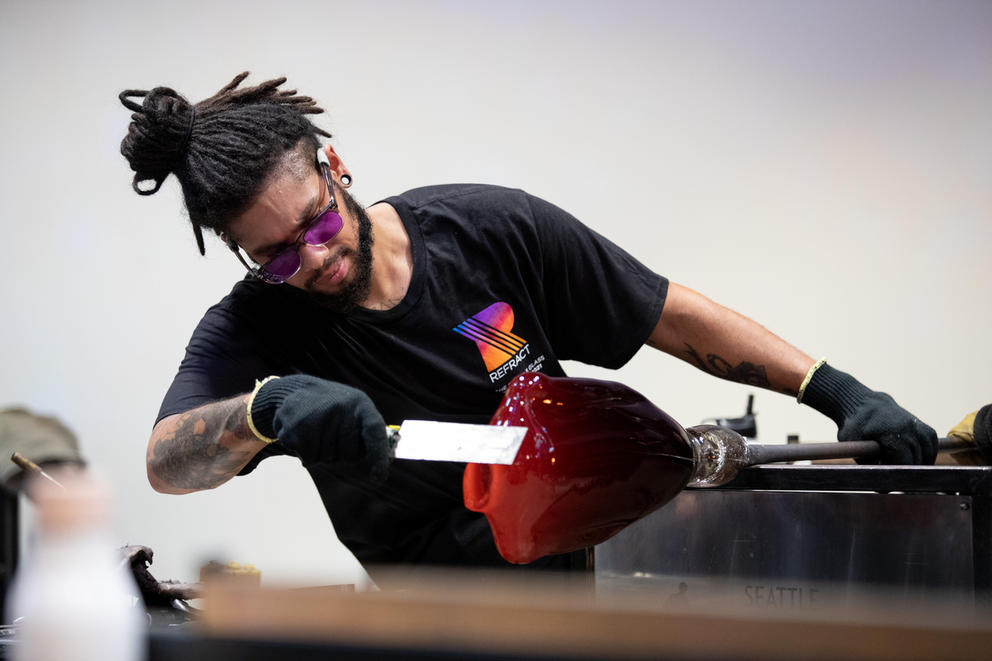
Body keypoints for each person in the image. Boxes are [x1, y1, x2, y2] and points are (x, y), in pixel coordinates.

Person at [118, 72, 937, 576]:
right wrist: (260, 412)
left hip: (594, 573)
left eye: (319, 226)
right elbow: (166, 461)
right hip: (445, 622)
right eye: (279, 256)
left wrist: (833, 388)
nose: (317, 261)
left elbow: (666, 312)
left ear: (336, 168)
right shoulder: (261, 323)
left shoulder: (491, 231)